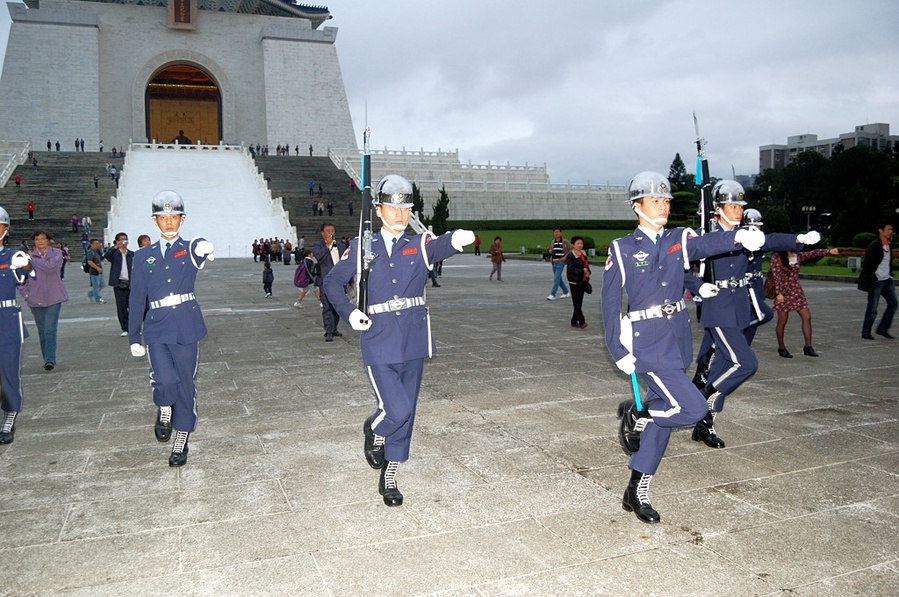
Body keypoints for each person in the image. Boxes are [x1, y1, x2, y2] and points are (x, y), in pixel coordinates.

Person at [602, 171, 764, 524]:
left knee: (664, 419)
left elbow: (707, 245)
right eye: (655, 200)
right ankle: (639, 414)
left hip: (676, 338)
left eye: (666, 200)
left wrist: (741, 237)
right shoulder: (623, 248)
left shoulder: (679, 238)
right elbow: (610, 303)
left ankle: (636, 489)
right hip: (646, 345)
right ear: (637, 206)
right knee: (691, 408)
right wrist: (618, 350)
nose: (663, 206)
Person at [323, 174, 475, 507]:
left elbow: (439, 246)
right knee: (396, 409)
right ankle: (374, 428)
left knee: (408, 412)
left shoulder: (418, 244)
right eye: (392, 209)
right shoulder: (362, 248)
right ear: (378, 210)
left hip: (414, 340)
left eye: (405, 208)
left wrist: (456, 239)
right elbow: (332, 285)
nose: (399, 215)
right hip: (378, 339)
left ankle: (391, 472)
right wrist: (348, 314)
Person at [692, 180, 817, 450]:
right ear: (718, 209)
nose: (738, 210)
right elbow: (697, 255)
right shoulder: (709, 237)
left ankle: (703, 423)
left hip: (739, 311)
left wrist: (798, 240)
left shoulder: (747, 234)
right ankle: (701, 398)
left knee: (724, 368)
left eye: (740, 206)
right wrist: (733, 240)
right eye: (732, 206)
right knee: (745, 364)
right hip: (719, 311)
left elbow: (769, 240)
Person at [128, 190, 215, 466]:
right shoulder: (143, 257)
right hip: (156, 326)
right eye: (162, 217)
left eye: (174, 216)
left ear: (182, 219)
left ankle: (181, 439)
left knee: (186, 384)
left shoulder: (189, 248)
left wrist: (204, 246)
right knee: (165, 380)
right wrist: (133, 336)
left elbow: (198, 246)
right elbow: (136, 297)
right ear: (155, 221)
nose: (168, 222)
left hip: (186, 325)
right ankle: (164, 406)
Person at [0, 205, 32, 444]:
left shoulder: (11, 256)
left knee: (8, 369)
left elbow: (30, 276)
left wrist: (26, 265)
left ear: (6, 229)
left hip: (6, 318)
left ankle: (10, 412)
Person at [771, 247, 839, 357]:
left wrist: (828, 251)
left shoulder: (797, 255)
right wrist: (779, 292)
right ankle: (781, 347)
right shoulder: (777, 257)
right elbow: (776, 275)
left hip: (796, 290)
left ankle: (808, 346)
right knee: (782, 321)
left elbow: (813, 253)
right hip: (783, 292)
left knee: (806, 317)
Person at [20, 230, 68, 370]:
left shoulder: (57, 254)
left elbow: (50, 267)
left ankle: (50, 359)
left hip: (54, 297)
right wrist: (27, 295)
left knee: (49, 329)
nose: (40, 241)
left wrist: (33, 260)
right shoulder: (25, 257)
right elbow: (20, 279)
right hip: (35, 298)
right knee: (42, 331)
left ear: (48, 240)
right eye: (37, 239)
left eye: (43, 238)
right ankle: (46, 357)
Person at [858, 222, 896, 340]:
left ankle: (882, 328)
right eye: (888, 229)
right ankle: (866, 331)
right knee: (873, 308)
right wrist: (873, 279)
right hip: (877, 281)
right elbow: (868, 264)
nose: (890, 232)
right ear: (881, 230)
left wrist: (890, 274)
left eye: (891, 229)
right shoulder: (874, 246)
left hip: (887, 280)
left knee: (893, 303)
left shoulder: (888, 245)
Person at [313, 222, 347, 341]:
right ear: (322, 233)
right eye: (328, 231)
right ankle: (328, 331)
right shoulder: (318, 245)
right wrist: (327, 245)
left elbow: (346, 263)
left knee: (337, 306)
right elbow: (318, 257)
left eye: (332, 230)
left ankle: (334, 328)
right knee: (327, 306)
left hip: (339, 281)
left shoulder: (341, 246)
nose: (330, 233)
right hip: (325, 280)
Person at [104, 232, 134, 336]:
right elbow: (106, 256)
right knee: (121, 307)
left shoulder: (132, 254)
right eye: (121, 239)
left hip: (131, 283)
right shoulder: (114, 254)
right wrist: (116, 247)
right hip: (119, 283)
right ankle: (125, 328)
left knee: (133, 306)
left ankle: (134, 327)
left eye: (125, 239)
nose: (124, 241)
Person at [565, 235, 590, 329]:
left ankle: (574, 320)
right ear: (573, 245)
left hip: (583, 281)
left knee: (579, 303)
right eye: (578, 243)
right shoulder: (571, 256)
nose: (580, 245)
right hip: (574, 282)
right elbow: (570, 270)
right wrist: (582, 271)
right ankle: (582, 321)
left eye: (581, 243)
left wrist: (588, 273)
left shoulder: (583, 254)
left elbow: (587, 265)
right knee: (576, 302)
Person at [546, 227, 572, 300]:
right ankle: (566, 292)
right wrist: (550, 251)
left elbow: (571, 249)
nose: (556, 233)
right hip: (554, 262)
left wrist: (565, 257)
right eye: (555, 232)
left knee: (556, 278)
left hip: (561, 262)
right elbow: (552, 250)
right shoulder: (553, 242)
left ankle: (552, 294)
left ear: (561, 233)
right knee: (558, 279)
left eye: (558, 232)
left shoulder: (565, 241)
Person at [85, 238, 106, 304]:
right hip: (94, 272)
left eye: (98, 243)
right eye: (96, 244)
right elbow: (89, 262)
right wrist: (97, 268)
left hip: (100, 271)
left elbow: (102, 258)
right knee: (96, 286)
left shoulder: (97, 251)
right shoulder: (90, 252)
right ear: (91, 244)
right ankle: (98, 298)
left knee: (102, 285)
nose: (98, 245)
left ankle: (90, 293)